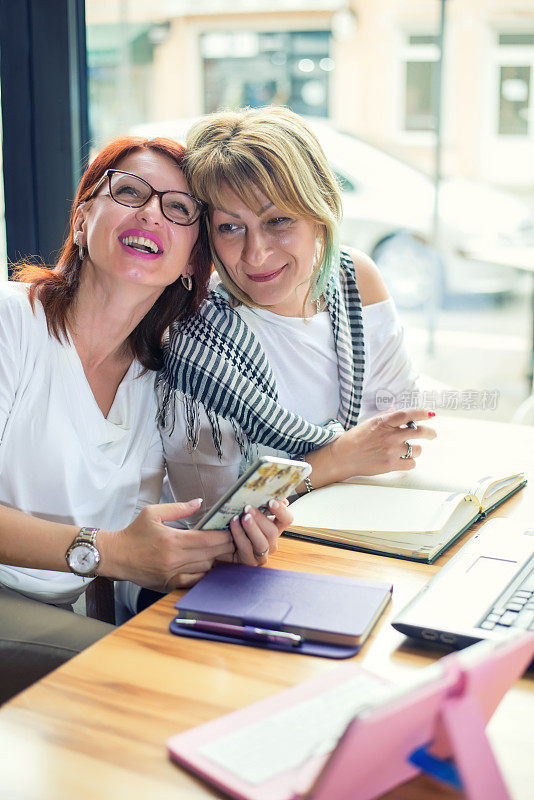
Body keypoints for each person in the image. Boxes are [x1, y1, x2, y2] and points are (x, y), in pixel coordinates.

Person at [0, 134, 292, 703]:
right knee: (163, 684)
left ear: (191, 262)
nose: (152, 212)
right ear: (83, 220)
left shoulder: (160, 375)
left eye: (179, 209)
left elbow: (145, 538)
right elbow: (116, 548)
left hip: (78, 607)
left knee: (256, 662)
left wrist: (210, 547)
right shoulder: (12, 325)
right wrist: (108, 552)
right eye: (131, 192)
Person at [157, 107, 436, 512]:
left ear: (318, 214)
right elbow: (210, 513)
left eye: (279, 220)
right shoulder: (200, 342)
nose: (257, 253)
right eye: (230, 227)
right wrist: (335, 461)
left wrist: (311, 473)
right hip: (235, 563)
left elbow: (400, 437)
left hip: (357, 523)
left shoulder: (353, 278)